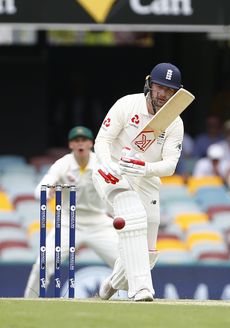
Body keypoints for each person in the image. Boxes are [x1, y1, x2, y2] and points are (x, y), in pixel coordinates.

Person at [93, 62, 185, 302]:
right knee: (134, 217)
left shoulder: (175, 122)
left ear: (176, 94)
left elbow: (170, 166)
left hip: (145, 179)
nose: (162, 94)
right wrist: (107, 164)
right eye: (159, 87)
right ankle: (141, 289)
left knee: (149, 251)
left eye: (169, 90)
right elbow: (102, 140)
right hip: (112, 172)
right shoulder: (127, 104)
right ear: (149, 84)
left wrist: (145, 168)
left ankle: (112, 284)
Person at [25, 126, 119, 297]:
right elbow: (41, 189)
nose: (80, 143)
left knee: (127, 264)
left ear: (91, 143)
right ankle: (27, 303)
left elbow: (116, 188)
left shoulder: (101, 163)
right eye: (76, 141)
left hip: (99, 222)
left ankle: (130, 296)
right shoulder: (63, 164)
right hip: (68, 223)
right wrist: (47, 191)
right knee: (43, 264)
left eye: (84, 140)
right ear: (71, 145)